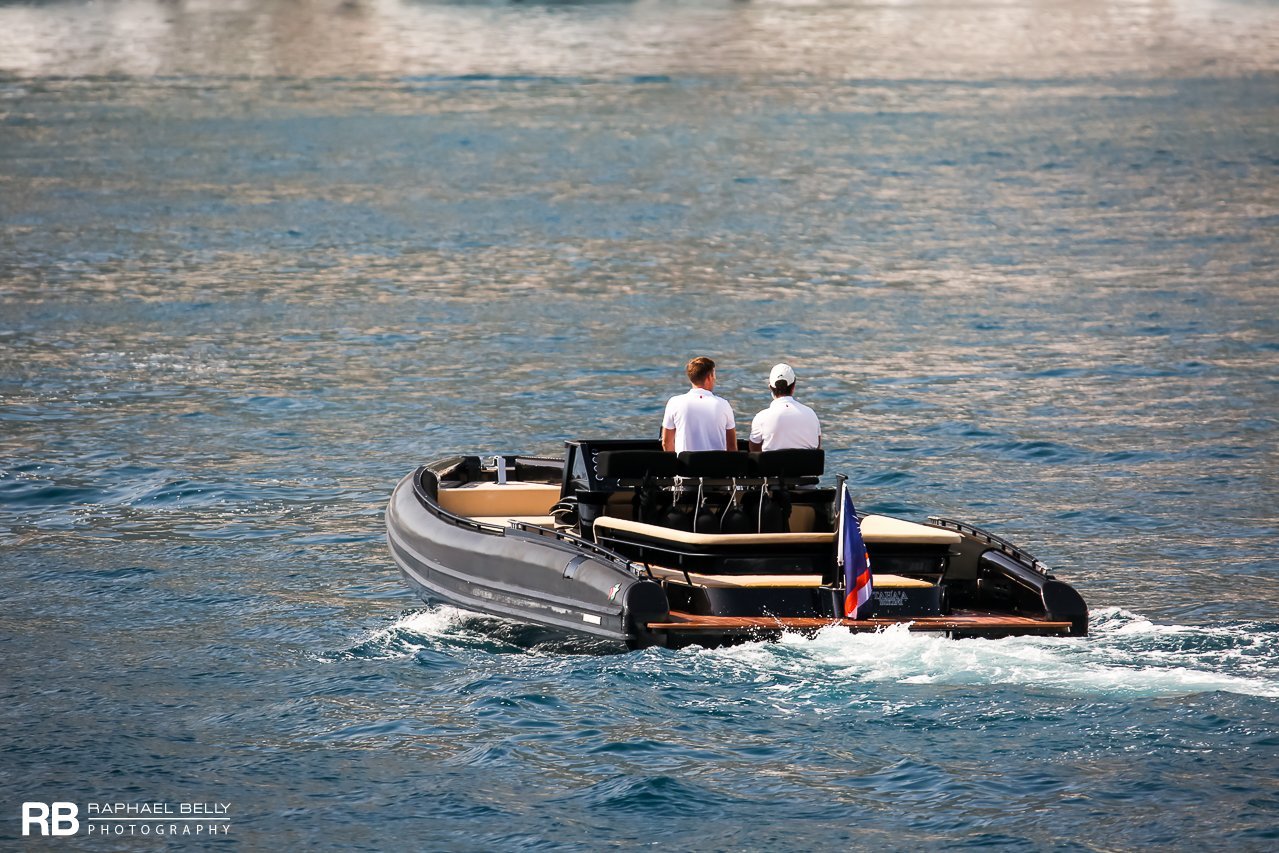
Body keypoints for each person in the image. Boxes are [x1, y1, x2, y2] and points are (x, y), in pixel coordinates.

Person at [661, 356, 736, 453]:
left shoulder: (674, 402)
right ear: (709, 377)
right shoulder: (723, 404)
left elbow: (666, 442)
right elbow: (732, 446)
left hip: (686, 466)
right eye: (714, 375)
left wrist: (676, 465)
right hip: (717, 466)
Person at [748, 363, 821, 452]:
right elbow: (817, 448)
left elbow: (754, 452)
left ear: (770, 387)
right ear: (793, 386)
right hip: (807, 466)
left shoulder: (761, 418)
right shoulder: (811, 415)